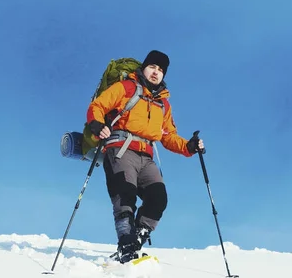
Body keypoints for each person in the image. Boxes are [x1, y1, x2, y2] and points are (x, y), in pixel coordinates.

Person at [86, 50, 204, 263]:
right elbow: (98, 106)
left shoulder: (163, 104)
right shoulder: (126, 87)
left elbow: (168, 135)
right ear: (144, 68)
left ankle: (136, 240)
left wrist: (188, 146)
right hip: (121, 149)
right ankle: (126, 243)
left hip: (147, 156)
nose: (156, 72)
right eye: (152, 67)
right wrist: (96, 123)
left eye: (160, 70)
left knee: (158, 198)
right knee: (125, 194)